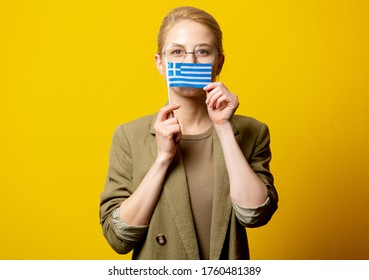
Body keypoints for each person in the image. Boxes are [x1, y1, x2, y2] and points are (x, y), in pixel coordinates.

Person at [100, 6, 278, 260]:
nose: (190, 61)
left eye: (202, 51)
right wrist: (162, 159)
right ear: (160, 63)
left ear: (219, 62)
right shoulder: (129, 136)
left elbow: (255, 215)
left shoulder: (253, 131)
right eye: (177, 52)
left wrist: (224, 128)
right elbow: (118, 238)